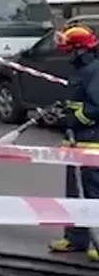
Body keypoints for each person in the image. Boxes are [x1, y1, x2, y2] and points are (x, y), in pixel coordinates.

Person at [48, 25, 99, 261]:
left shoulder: (95, 71)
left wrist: (75, 119)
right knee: (74, 193)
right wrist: (62, 113)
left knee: (93, 193)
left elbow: (96, 108)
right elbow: (77, 101)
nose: (67, 56)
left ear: (80, 50)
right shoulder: (81, 70)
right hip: (76, 141)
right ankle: (75, 239)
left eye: (69, 51)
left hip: (92, 142)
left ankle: (97, 242)